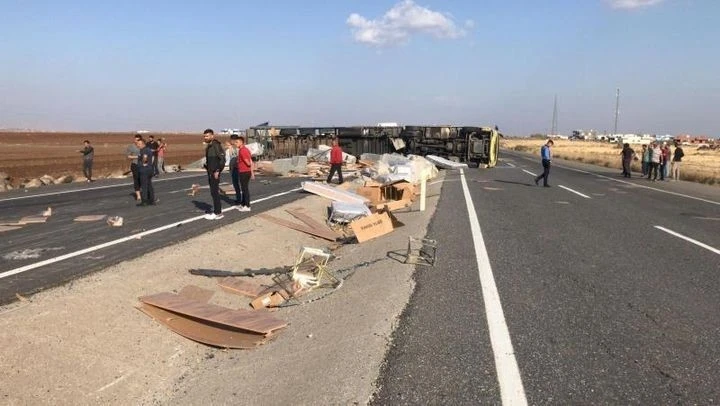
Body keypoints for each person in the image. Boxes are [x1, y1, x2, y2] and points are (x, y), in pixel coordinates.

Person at [203, 129, 225, 220]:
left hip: (215, 173)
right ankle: (217, 211)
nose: (205, 137)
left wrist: (218, 170)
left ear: (212, 136)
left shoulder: (216, 145)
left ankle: (218, 213)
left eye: (207, 136)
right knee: (213, 192)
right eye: (204, 136)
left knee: (215, 192)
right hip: (210, 172)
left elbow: (222, 159)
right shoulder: (210, 146)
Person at [236, 136, 254, 212]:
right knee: (244, 188)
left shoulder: (242, 150)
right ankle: (243, 204)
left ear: (241, 142)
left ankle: (247, 205)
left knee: (244, 189)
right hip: (246, 172)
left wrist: (240, 163)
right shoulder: (246, 149)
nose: (235, 144)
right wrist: (252, 173)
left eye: (237, 142)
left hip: (244, 172)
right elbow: (251, 161)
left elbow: (248, 162)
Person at [136, 139, 156, 206]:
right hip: (149, 170)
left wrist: (139, 165)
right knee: (149, 185)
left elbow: (144, 161)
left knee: (144, 186)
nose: (137, 145)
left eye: (139, 144)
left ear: (143, 144)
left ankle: (144, 201)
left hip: (144, 170)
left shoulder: (144, 150)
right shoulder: (147, 150)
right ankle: (152, 200)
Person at [126, 134, 143, 201]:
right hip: (135, 165)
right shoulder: (131, 147)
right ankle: (138, 195)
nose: (136, 141)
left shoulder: (142, 146)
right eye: (135, 139)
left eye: (138, 140)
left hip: (142, 165)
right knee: (136, 179)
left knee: (141, 179)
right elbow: (128, 156)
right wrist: (137, 157)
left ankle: (140, 189)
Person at [226, 136, 241, 205]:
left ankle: (240, 200)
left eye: (231, 140)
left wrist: (230, 147)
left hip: (236, 168)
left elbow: (234, 156)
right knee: (236, 184)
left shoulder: (238, 149)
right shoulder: (234, 148)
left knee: (237, 184)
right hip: (233, 167)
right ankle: (239, 199)